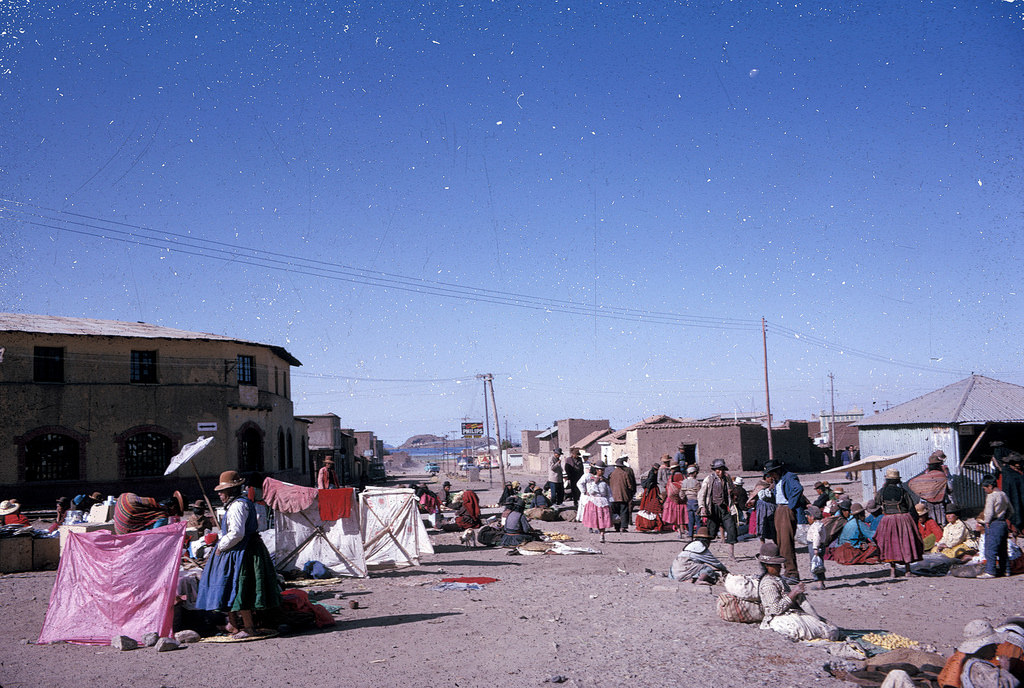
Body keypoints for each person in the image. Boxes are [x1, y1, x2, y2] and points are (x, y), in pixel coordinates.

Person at [195, 471, 281, 639]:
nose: (219, 494)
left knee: (241, 587)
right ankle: (233, 625)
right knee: (229, 585)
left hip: (243, 552)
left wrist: (221, 545)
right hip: (239, 550)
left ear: (231, 490)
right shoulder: (236, 504)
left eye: (222, 491)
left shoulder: (238, 506)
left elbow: (237, 533)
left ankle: (248, 627)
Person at [755, 542, 839, 642]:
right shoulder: (768, 584)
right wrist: (793, 594)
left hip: (789, 614)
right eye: (775, 565)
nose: (779, 567)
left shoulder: (777, 579)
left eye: (779, 564)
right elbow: (775, 609)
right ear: (766, 566)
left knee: (829, 628)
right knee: (828, 632)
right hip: (779, 619)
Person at [937, 619, 1022, 688]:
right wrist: (1005, 670)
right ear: (984, 647)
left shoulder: (966, 661)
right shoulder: (981, 668)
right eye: (992, 645)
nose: (996, 647)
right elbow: (1007, 685)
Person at [873, 468, 924, 578]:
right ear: (897, 480)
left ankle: (892, 571)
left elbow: (875, 504)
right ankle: (907, 570)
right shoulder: (903, 492)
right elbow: (911, 507)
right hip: (903, 518)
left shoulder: (881, 492)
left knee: (891, 544)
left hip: (888, 519)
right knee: (905, 542)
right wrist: (914, 522)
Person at [764, 459, 803, 583]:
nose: (771, 476)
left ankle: (792, 573)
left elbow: (798, 489)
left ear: (778, 470)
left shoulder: (789, 477)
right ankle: (785, 571)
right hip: (779, 509)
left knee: (786, 543)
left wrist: (790, 505)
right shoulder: (778, 480)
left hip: (786, 509)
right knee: (780, 542)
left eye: (772, 473)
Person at [698, 458, 737, 559]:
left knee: (731, 529)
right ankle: (704, 553)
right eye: (718, 470)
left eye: (722, 469)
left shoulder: (727, 478)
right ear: (715, 470)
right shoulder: (709, 479)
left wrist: (731, 491)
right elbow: (702, 493)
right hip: (713, 508)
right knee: (710, 532)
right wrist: (702, 506)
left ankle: (731, 555)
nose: (720, 471)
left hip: (725, 508)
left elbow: (733, 489)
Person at [977, 474, 1012, 579]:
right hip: (1003, 523)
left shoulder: (991, 496)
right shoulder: (1003, 494)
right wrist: (1005, 517)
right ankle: (1006, 570)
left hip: (994, 523)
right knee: (1002, 548)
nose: (985, 491)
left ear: (990, 486)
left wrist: (987, 522)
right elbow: (1011, 510)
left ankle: (990, 571)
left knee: (990, 548)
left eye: (985, 488)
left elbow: (989, 511)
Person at [908, 451, 954, 523]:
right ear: (939, 464)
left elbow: (913, 483)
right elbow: (950, 488)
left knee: (930, 522)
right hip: (941, 503)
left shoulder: (926, 474)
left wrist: (924, 494)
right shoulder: (943, 474)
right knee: (942, 522)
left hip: (926, 503)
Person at [113, 491, 184, 534]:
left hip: (120, 529)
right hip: (130, 534)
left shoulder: (154, 507)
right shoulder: (162, 516)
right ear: (173, 507)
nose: (175, 515)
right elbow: (155, 535)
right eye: (176, 512)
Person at [582, 464, 612, 543]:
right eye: (600, 470)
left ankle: (602, 534)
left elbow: (609, 491)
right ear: (596, 470)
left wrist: (610, 501)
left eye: (603, 470)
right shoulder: (591, 479)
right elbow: (591, 491)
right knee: (596, 519)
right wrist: (595, 483)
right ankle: (596, 530)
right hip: (594, 501)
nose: (602, 472)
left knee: (603, 519)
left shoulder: (604, 480)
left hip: (603, 502)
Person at [997, 452, 1024, 538]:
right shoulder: (1007, 474)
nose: (1018, 465)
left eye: (1019, 462)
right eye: (1016, 463)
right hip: (1012, 498)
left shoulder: (1020, 473)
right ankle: (1015, 530)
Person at [608, 456, 637, 532]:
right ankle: (623, 527)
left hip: (613, 497)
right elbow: (630, 485)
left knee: (615, 512)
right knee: (624, 511)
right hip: (623, 496)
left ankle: (617, 527)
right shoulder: (625, 474)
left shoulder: (612, 474)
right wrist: (630, 491)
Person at [635, 463, 665, 533]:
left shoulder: (652, 472)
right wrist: (648, 489)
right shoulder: (652, 473)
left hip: (651, 489)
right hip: (652, 490)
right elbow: (649, 481)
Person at [805, 505, 827, 588]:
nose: (807, 518)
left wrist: (815, 548)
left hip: (815, 546)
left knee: (816, 564)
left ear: (812, 517)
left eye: (808, 516)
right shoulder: (820, 524)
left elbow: (816, 537)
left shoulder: (816, 527)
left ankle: (819, 582)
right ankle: (821, 582)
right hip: (819, 545)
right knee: (819, 563)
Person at [662, 471, 688, 538]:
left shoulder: (671, 482)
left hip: (673, 502)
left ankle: (679, 531)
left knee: (676, 517)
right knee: (683, 516)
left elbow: (668, 491)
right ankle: (684, 529)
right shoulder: (684, 481)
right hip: (683, 502)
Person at [681, 465, 701, 539]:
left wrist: (683, 498)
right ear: (694, 473)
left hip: (688, 501)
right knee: (698, 519)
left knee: (690, 519)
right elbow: (700, 493)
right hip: (695, 501)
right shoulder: (696, 482)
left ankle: (690, 534)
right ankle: (698, 534)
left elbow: (682, 493)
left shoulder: (684, 482)